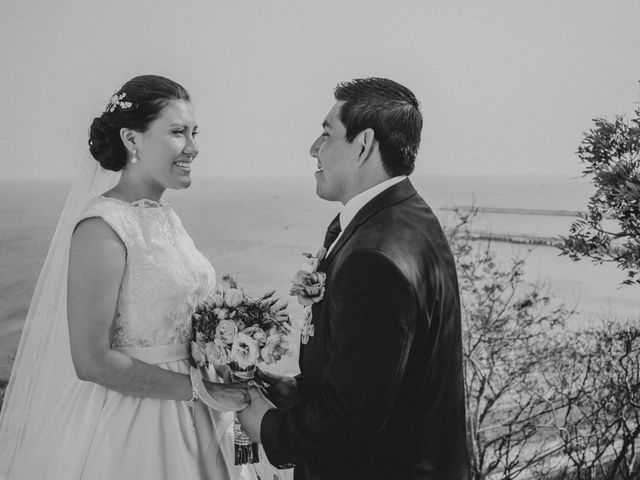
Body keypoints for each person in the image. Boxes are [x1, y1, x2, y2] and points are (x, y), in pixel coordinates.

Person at [0, 75, 249, 480]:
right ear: (132, 139)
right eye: (177, 133)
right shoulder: (102, 226)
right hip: (133, 426)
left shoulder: (165, 215)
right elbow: (92, 360)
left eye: (194, 132)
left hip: (197, 411)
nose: (193, 147)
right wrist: (202, 390)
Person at [238, 77, 470, 479]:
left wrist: (267, 427)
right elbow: (377, 378)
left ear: (363, 145)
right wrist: (298, 392)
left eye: (326, 134)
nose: (314, 148)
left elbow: (351, 423)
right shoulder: (409, 217)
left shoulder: (373, 258)